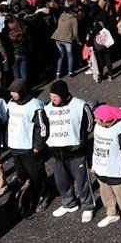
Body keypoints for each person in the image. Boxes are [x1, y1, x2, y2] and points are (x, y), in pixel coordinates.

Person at [44, 80, 96, 223]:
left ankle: (87, 206)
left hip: (76, 152)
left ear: (63, 94)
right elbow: (45, 127)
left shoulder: (80, 105)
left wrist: (81, 141)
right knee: (62, 181)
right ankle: (69, 203)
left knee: (82, 182)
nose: (52, 99)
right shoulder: (47, 108)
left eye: (55, 96)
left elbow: (90, 125)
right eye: (51, 96)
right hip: (57, 153)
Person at [91, 104, 121, 237]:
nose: (95, 120)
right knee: (106, 194)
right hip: (102, 168)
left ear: (106, 120)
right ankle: (112, 213)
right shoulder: (100, 125)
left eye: (98, 118)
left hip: (118, 170)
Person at [5, 79, 50, 213]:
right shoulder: (11, 104)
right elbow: (9, 122)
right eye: (11, 92)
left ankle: (45, 194)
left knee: (37, 175)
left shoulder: (35, 106)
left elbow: (41, 128)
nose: (12, 95)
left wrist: (38, 146)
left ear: (23, 91)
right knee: (22, 174)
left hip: (29, 148)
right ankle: (27, 194)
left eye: (15, 92)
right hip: (15, 146)